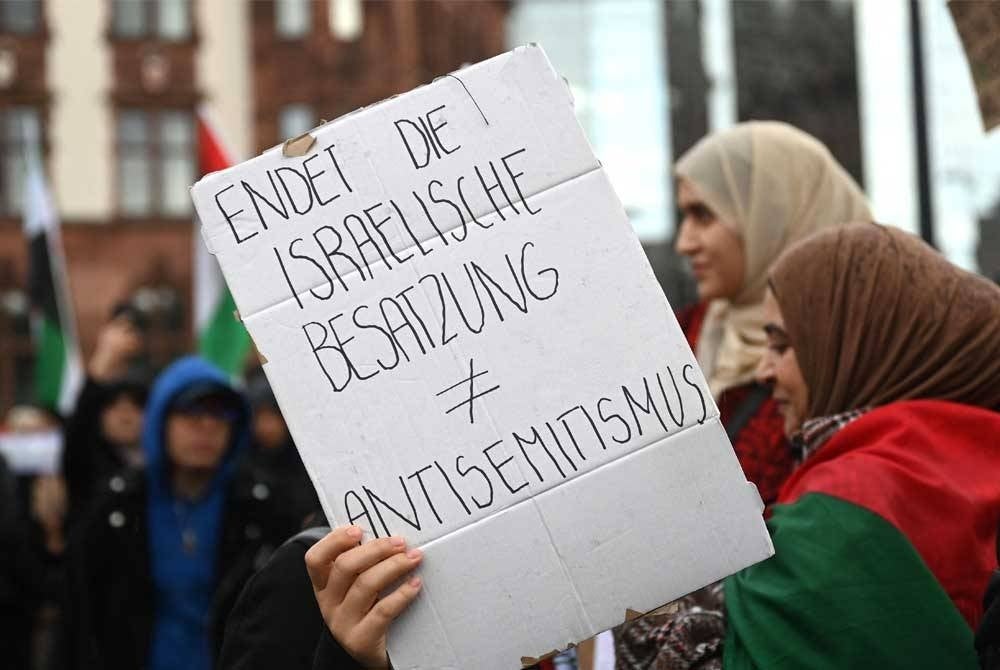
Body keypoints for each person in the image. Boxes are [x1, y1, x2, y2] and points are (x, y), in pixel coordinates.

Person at [615, 222, 1000, 669]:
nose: (764, 371)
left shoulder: (845, 506)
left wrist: (639, 579)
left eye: (782, 346)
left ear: (852, 348)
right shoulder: (968, 453)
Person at [60, 356, 301, 670]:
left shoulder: (265, 509)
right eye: (191, 411)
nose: (207, 426)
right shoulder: (116, 507)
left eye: (221, 413)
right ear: (160, 420)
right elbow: (83, 621)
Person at [673, 121, 870, 505]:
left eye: (703, 215)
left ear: (770, 215)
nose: (685, 242)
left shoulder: (846, 352)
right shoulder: (680, 335)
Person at [62, 310, 147, 527]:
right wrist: (103, 360)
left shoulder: (162, 467)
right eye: (113, 404)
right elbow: (80, 423)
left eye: (137, 404)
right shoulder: (85, 463)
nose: (125, 413)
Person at [240, 370, 318, 527]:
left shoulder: (309, 466)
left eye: (272, 416)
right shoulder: (242, 466)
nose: (266, 427)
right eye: (259, 416)